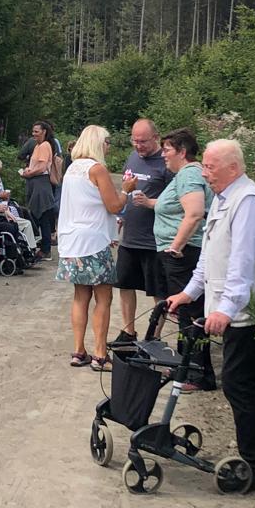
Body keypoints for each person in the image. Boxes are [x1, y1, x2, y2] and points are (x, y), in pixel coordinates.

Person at [167, 138, 255, 487]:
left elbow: (242, 262)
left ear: (233, 167)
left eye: (210, 167)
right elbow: (210, 254)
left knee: (238, 384)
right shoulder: (224, 199)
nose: (205, 174)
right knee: (251, 383)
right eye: (203, 166)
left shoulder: (247, 201)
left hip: (252, 312)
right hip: (238, 309)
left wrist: (226, 309)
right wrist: (189, 293)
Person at [55, 125, 132, 370]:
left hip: (72, 241)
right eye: (106, 142)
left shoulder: (72, 169)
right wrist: (126, 190)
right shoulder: (96, 169)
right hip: (93, 242)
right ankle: (100, 354)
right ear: (98, 143)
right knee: (103, 297)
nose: (108, 146)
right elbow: (114, 206)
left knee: (80, 296)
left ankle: (78, 350)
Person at [152, 128, 215, 389]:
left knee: (189, 313)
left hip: (184, 254)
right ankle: (184, 367)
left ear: (182, 151)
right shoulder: (187, 174)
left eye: (167, 149)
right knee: (184, 312)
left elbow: (195, 211)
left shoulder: (189, 174)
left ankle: (198, 374)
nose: (164, 154)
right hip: (185, 252)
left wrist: (175, 247)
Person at [112, 118, 171, 344]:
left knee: (158, 291)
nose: (138, 146)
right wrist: (121, 215)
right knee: (125, 285)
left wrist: (150, 202)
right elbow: (126, 188)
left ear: (156, 138)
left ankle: (154, 336)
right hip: (130, 237)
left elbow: (175, 200)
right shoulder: (133, 157)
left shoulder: (166, 162)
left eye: (143, 142)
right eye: (134, 141)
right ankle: (128, 332)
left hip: (155, 239)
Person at [18, 119, 57, 256]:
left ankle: (45, 249)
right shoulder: (37, 146)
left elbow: (42, 167)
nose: (33, 134)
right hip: (35, 183)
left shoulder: (45, 145)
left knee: (43, 215)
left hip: (40, 183)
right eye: (33, 131)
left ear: (44, 132)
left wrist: (29, 173)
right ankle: (41, 245)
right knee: (37, 215)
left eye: (36, 131)